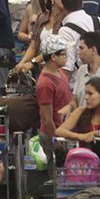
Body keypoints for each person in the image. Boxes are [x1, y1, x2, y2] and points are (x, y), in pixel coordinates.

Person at [36, 38, 73, 172]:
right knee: (58, 174)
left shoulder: (60, 73)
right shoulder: (45, 83)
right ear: (53, 57)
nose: (67, 57)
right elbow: (46, 118)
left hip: (65, 132)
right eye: (63, 54)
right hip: (54, 134)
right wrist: (55, 141)